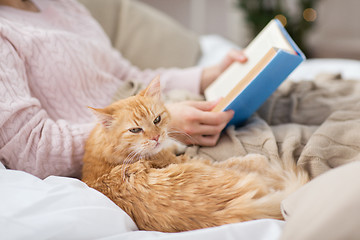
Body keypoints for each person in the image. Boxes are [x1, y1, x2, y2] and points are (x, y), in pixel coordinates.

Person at [0, 0, 247, 179]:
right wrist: (156, 128)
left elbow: (128, 79)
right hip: (130, 153)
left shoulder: (67, 6)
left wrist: (208, 75)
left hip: (154, 124)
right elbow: (32, 151)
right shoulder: (5, 31)